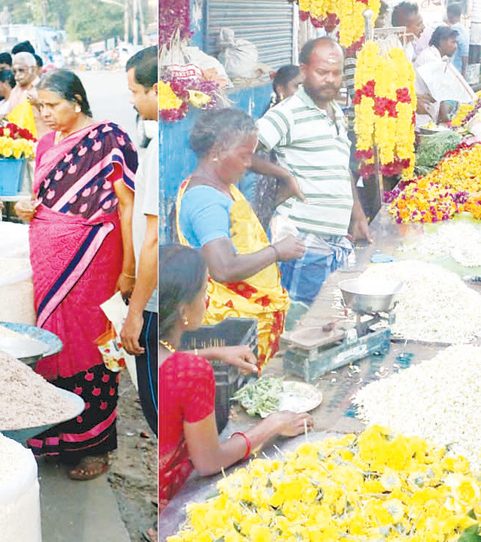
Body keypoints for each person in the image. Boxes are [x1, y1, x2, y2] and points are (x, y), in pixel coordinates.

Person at [14, 70, 138, 481]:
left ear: (78, 101)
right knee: (53, 343)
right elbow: (43, 197)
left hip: (95, 257)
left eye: (52, 105)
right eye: (40, 107)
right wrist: (27, 209)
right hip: (49, 256)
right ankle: (55, 438)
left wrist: (129, 269)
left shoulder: (109, 139)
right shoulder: (47, 142)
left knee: (94, 345)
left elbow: (126, 206)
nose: (45, 114)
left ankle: (94, 446)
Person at [158, 244, 313, 510]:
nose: (206, 300)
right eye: (204, 292)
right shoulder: (192, 374)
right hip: (169, 496)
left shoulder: (136, 342)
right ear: (183, 311)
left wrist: (213, 352)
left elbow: (165, 364)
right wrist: (271, 425)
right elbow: (208, 462)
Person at [177, 108, 301, 367]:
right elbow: (223, 268)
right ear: (215, 152)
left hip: (248, 316)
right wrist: (277, 251)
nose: (249, 164)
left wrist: (283, 176)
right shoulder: (206, 201)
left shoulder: (222, 186)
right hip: (231, 327)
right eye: (245, 156)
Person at [253, 38, 371, 307]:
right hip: (303, 242)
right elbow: (239, 151)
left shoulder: (336, 113)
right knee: (299, 321)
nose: (330, 80)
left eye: (336, 72)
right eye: (322, 72)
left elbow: (340, 168)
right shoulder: (286, 113)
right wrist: (283, 175)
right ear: (304, 71)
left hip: (335, 242)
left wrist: (358, 215)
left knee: (324, 321)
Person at [121, 46, 159, 437]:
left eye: (135, 92)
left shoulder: (158, 151)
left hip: (157, 302)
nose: (132, 101)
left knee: (157, 403)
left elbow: (152, 240)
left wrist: (136, 312)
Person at [0, 52, 49, 138]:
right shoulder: (15, 91)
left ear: (33, 69)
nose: (17, 75)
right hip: (20, 146)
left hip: (41, 143)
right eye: (14, 71)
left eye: (21, 70)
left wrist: (38, 104)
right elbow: (12, 115)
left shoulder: (43, 89)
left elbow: (56, 118)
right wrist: (3, 118)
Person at [414, 26, 460, 126]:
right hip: (421, 118)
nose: (455, 46)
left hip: (427, 116)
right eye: (452, 42)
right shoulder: (430, 59)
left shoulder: (439, 58)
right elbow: (438, 91)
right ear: (441, 41)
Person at [447, 3, 470, 78]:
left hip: (457, 68)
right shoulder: (464, 29)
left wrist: (463, 70)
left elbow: (464, 49)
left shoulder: (454, 29)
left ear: (449, 14)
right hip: (460, 67)